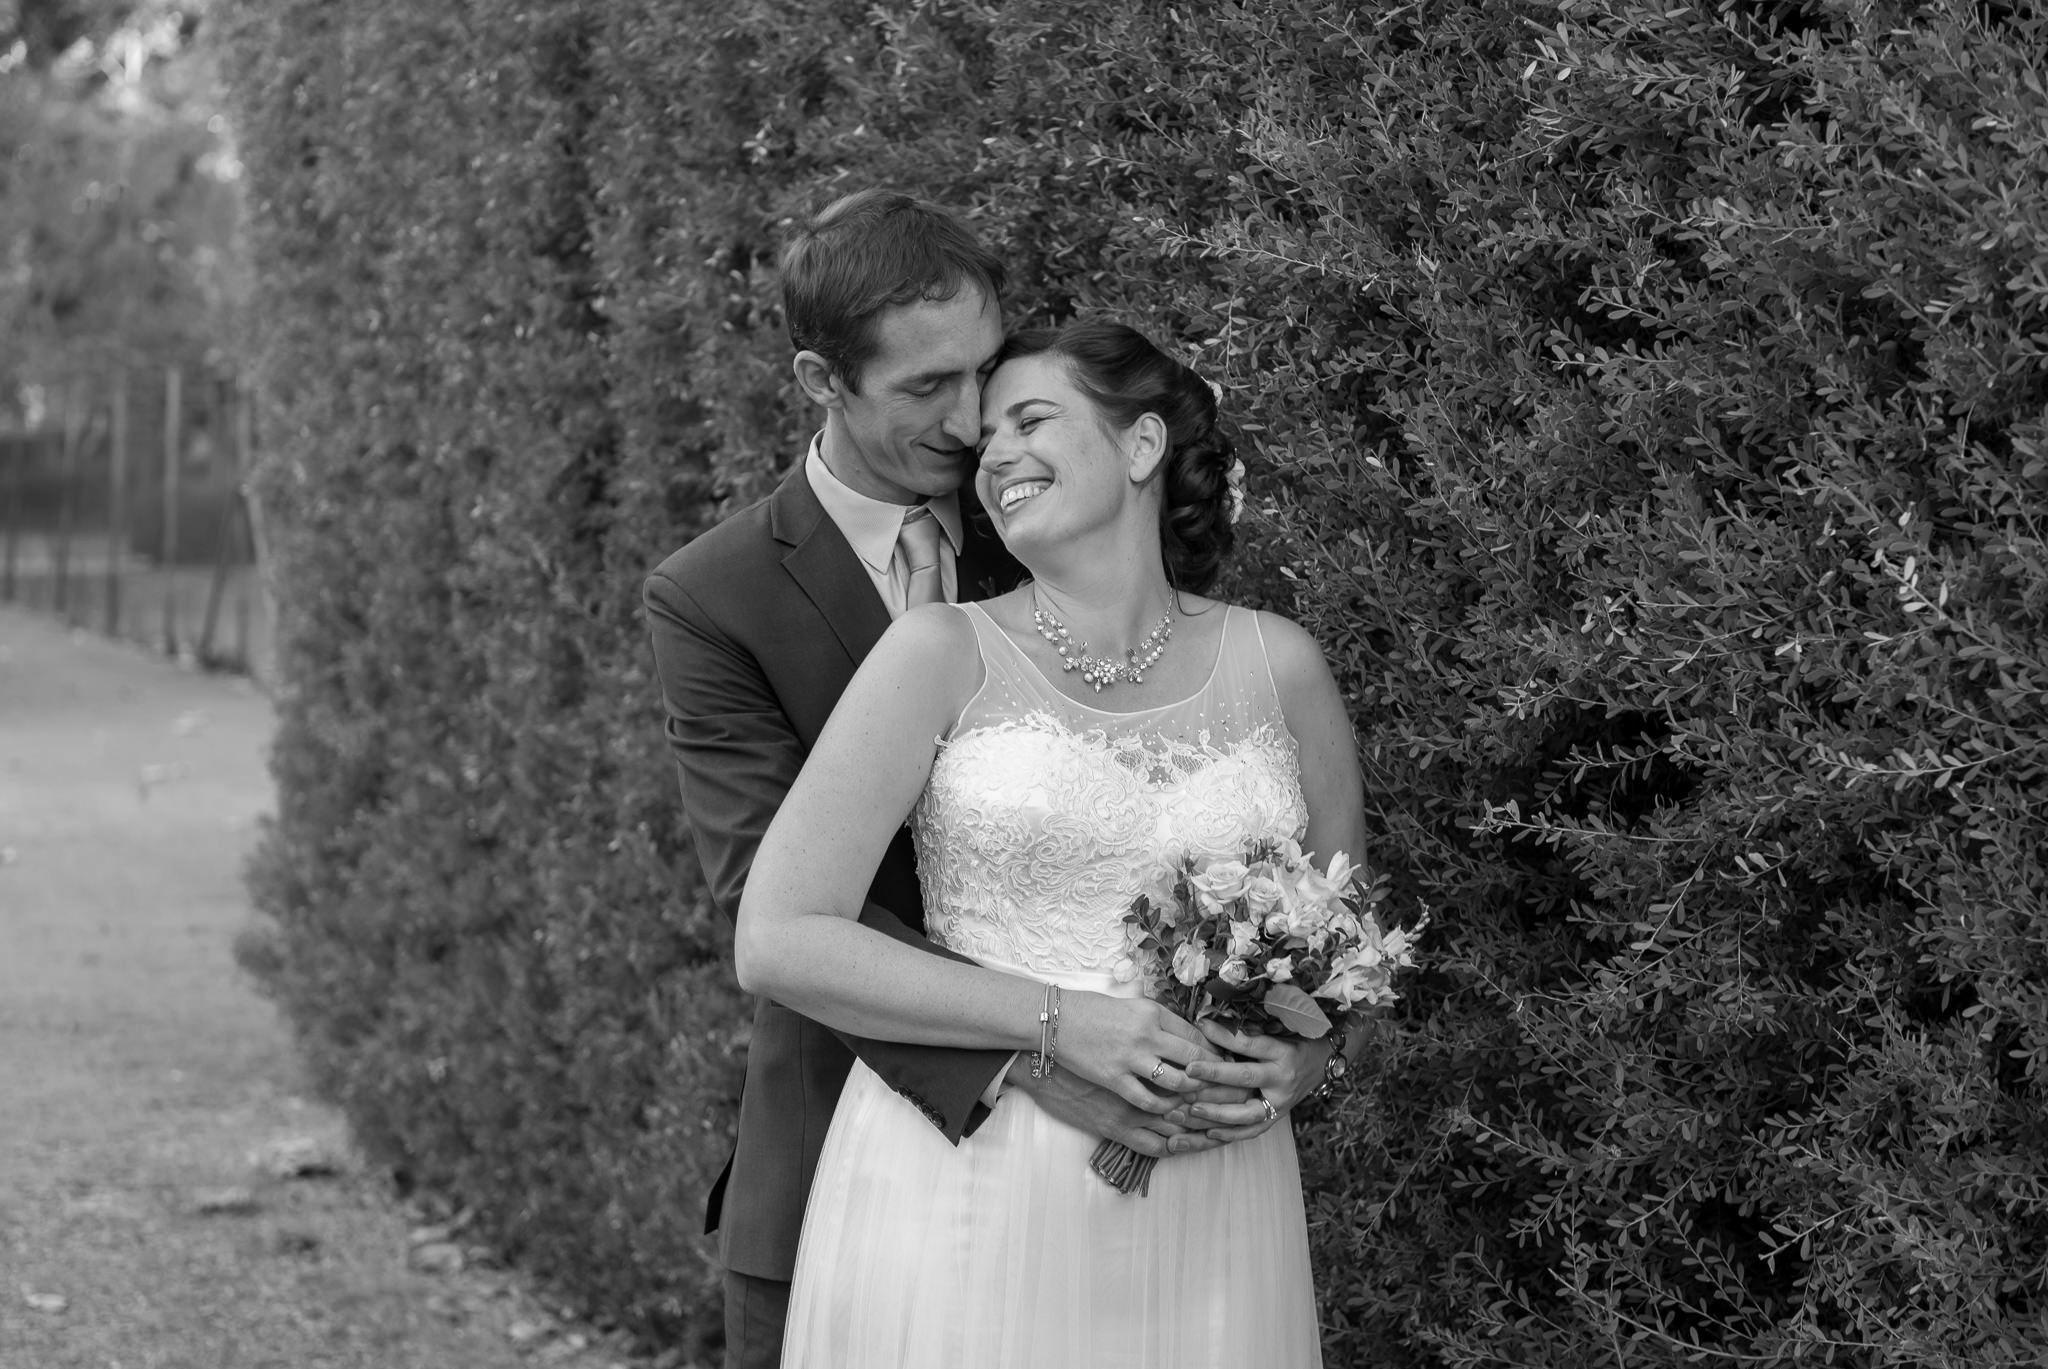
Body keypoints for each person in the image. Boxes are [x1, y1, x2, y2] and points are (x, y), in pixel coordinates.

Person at [643, 194, 1250, 1369]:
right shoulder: (713, 598)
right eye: (926, 388)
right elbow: (766, 898)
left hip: (1125, 1169)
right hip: (835, 1163)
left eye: (984, 371)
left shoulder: (1049, 515)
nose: (972, 421)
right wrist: (1040, 1053)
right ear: (823, 378)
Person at [737, 320, 1370, 1367]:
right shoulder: (937, 651)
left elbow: (1353, 948)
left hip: (1211, 1187)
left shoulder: (1281, 665)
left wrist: (1297, 1062)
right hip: (969, 1179)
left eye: (1031, 420)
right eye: (986, 441)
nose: (993, 458)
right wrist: (1053, 1022)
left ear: (1139, 447)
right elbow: (778, 937)